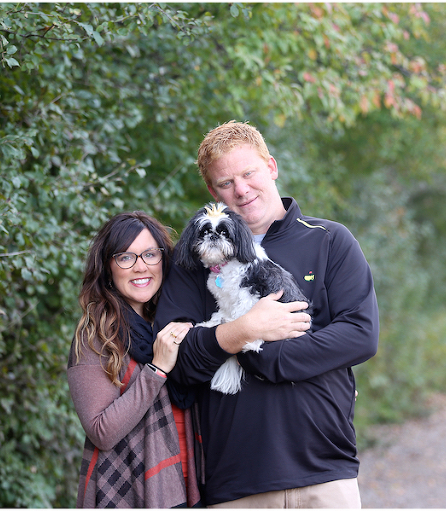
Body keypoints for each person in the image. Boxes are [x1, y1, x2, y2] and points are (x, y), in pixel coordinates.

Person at [154, 121, 379, 508]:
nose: (241, 190)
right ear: (212, 191)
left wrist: (271, 359)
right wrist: (242, 332)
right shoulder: (193, 260)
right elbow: (177, 361)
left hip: (323, 471)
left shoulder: (329, 240)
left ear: (271, 166)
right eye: (225, 182)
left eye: (249, 173)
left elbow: (359, 334)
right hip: (237, 479)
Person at [68, 211, 202, 508]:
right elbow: (102, 431)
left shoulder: (176, 321)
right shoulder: (95, 336)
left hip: (191, 482)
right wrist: (157, 369)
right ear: (107, 267)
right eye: (126, 257)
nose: (141, 267)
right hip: (131, 490)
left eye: (150, 254)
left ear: (164, 260)